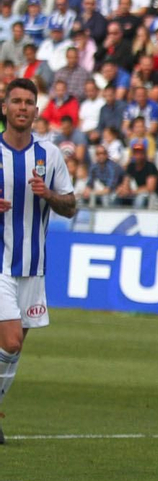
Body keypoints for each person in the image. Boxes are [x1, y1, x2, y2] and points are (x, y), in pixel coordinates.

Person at [0, 78, 76, 444]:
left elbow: (71, 205)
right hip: (0, 264)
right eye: (16, 101)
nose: (22, 107)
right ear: (5, 108)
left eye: (28, 102)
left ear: (36, 110)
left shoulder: (50, 155)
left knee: (13, 351)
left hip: (33, 267)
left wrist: (48, 195)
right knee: (11, 341)